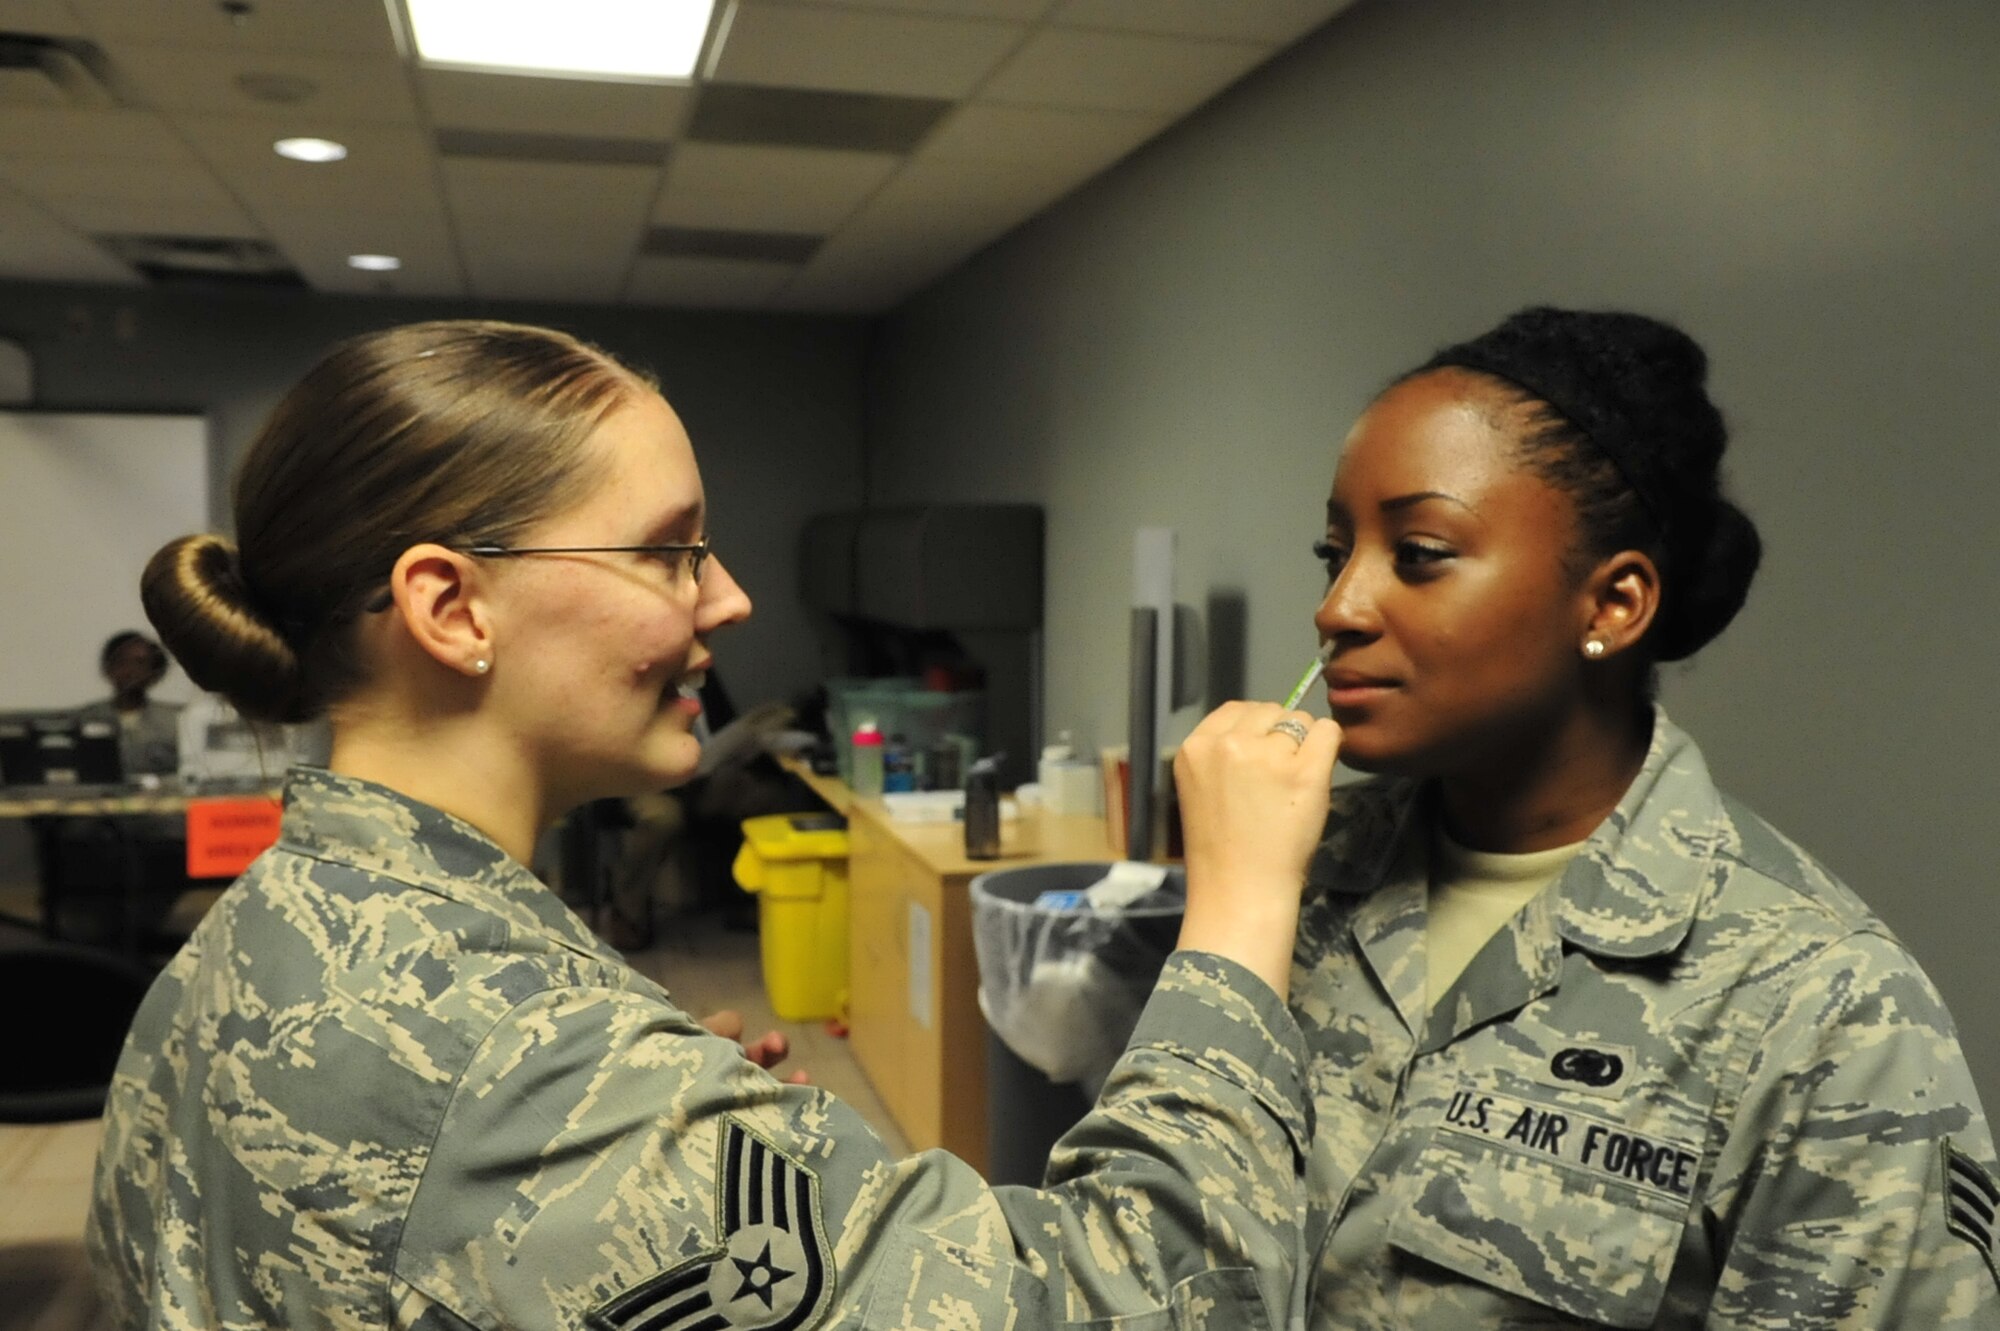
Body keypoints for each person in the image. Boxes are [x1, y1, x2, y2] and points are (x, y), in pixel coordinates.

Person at [85, 319, 1342, 1331]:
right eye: (668, 551)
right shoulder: (529, 1068)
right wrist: (1233, 914)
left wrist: (657, 1144)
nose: (728, 598)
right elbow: (1136, 1297)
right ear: (452, 605)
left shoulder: (224, 959)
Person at [1289, 306, 1999, 1329]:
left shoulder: (1820, 1003)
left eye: (1419, 551)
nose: (1339, 605)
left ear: (1612, 604)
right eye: (1331, 553)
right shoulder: (1285, 873)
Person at [78, 630, 180, 776]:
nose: (129, 670)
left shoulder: (174, 721)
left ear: (155, 673)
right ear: (107, 668)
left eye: (140, 663)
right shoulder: (85, 719)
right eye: (121, 662)